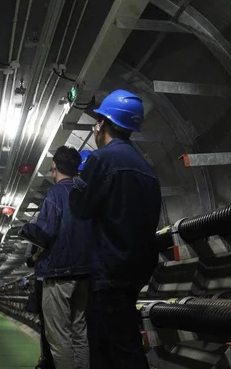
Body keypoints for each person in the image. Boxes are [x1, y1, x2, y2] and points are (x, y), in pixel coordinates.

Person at [69, 90, 161, 369]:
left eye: (97, 122)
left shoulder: (101, 160)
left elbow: (80, 208)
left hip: (109, 269)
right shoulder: (147, 168)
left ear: (103, 124)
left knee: (115, 348)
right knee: (121, 341)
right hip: (136, 269)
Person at [20, 146, 92, 369]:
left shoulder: (56, 193)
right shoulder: (85, 193)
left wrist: (26, 229)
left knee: (59, 337)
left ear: (54, 166)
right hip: (85, 273)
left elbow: (46, 231)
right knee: (79, 332)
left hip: (60, 273)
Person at [25, 244, 55, 369]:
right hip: (69, 277)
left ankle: (48, 361)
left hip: (48, 280)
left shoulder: (37, 228)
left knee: (49, 326)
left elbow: (29, 261)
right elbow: (29, 261)